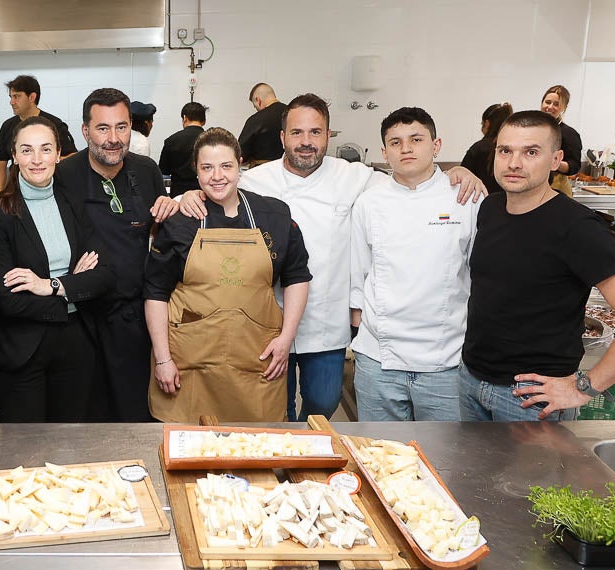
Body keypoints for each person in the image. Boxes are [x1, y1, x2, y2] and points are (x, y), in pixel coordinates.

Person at [181, 93, 485, 420]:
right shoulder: (256, 180)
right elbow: (216, 186)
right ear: (283, 137)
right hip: (264, 319)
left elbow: (409, 181)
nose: (306, 141)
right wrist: (188, 195)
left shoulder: (355, 176)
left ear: (328, 135)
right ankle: (284, 463)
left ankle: (306, 449)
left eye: (316, 132)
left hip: (324, 321)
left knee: (323, 404)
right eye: (297, 133)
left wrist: (458, 174)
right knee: (271, 408)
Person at [461, 110, 615, 421]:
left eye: (531, 152)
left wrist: (583, 388)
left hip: (531, 400)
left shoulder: (577, 227)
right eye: (505, 151)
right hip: (471, 382)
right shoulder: (490, 208)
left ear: (556, 159)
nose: (514, 163)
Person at [145, 128, 311, 423]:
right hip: (190, 366)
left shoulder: (274, 215)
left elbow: (297, 276)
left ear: (240, 165)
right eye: (207, 167)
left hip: (255, 361)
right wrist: (163, 359)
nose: (217, 176)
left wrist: (286, 337)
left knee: (257, 453)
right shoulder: (180, 223)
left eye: (226, 166)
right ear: (196, 172)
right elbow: (155, 293)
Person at [56, 88, 180, 421]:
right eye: (103, 128)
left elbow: (157, 235)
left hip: (133, 320)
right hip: (83, 320)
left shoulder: (147, 170)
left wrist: (175, 206)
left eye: (121, 127)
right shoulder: (63, 176)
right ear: (85, 131)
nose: (113, 138)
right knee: (87, 418)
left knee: (135, 416)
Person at [349, 108, 480, 421]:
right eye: (395, 142)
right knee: (379, 456)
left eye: (416, 139)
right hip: (379, 361)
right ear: (384, 152)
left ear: (436, 146)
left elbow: (479, 275)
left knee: (444, 460)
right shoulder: (369, 202)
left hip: (445, 362)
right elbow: (358, 273)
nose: (405, 148)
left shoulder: (466, 198)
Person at [0, 117, 117, 421]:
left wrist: (52, 285)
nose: (37, 160)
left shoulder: (71, 201)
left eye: (46, 149)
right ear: (14, 156)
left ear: (59, 154)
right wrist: (74, 286)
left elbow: (106, 274)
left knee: (71, 448)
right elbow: (10, 299)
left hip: (77, 346)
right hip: (23, 350)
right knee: (24, 451)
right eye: (27, 150)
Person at [0, 74, 78, 192]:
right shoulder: (7, 126)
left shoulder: (54, 125)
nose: (11, 102)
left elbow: (73, 157)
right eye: (11, 97)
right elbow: (0, 165)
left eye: (16, 96)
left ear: (32, 97)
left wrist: (49, 161)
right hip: (17, 192)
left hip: (52, 190)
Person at [460, 102, 513, 196]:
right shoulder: (514, 148)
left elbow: (462, 176)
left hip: (481, 202)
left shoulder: (478, 148)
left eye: (482, 124)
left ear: (487, 123)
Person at [540, 85, 583, 197]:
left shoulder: (569, 133)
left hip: (557, 189)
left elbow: (574, 166)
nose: (550, 107)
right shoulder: (533, 129)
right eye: (547, 102)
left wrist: (552, 162)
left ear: (564, 107)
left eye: (556, 104)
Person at [159, 102, 206, 196]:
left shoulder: (171, 140)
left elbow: (164, 170)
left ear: (184, 118)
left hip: (179, 192)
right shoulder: (210, 140)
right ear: (204, 121)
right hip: (203, 192)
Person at [238, 82, 288, 165]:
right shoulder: (292, 114)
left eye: (255, 106)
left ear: (258, 100)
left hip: (262, 172)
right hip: (290, 171)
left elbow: (240, 153)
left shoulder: (256, 119)